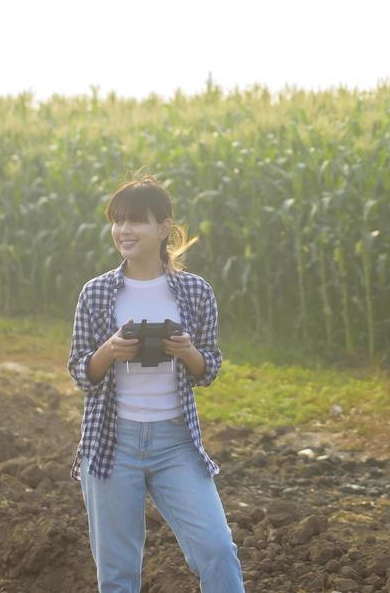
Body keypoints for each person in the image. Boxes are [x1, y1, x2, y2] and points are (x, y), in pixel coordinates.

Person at [67, 176, 244, 593]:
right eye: (117, 221)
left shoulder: (195, 292)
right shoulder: (96, 294)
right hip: (112, 444)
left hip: (176, 443)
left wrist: (186, 351)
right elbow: (79, 372)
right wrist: (109, 351)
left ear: (164, 228)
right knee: (118, 576)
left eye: (135, 222)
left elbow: (209, 368)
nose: (123, 231)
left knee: (218, 551)